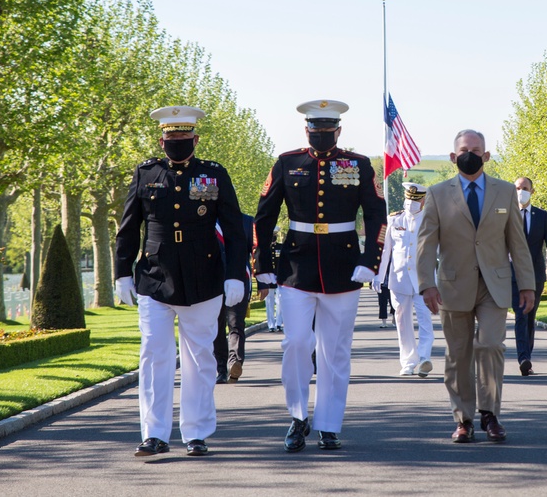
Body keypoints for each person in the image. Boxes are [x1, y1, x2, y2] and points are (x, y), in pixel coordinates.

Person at [253, 99, 387, 453]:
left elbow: (377, 215)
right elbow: (263, 217)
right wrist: (262, 264)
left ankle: (329, 424)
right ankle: (297, 416)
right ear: (307, 130)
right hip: (296, 266)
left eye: (328, 132)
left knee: (336, 352)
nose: (322, 137)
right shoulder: (288, 162)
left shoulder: (357, 165)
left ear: (339, 131)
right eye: (316, 131)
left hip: (344, 267)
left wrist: (370, 261)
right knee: (295, 343)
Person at [115, 105, 249, 458]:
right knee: (155, 357)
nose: (177, 142)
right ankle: (154, 434)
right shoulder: (146, 173)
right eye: (171, 137)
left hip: (204, 278)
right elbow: (129, 229)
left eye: (183, 136)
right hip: (155, 279)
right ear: (162, 140)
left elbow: (236, 232)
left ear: (196, 138)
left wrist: (235, 274)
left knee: (200, 360)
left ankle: (196, 433)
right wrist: (121, 273)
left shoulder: (214, 174)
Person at [416, 129, 535, 444]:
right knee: (458, 354)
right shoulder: (438, 193)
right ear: (454, 157)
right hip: (454, 286)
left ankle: (490, 414)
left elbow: (517, 243)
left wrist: (527, 285)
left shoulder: (505, 191)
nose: (471, 154)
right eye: (464, 150)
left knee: (490, 346)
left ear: (487, 155)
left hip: (494, 285)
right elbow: (426, 244)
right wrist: (426, 283)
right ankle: (463, 419)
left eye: (477, 149)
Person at [375, 182, 434, 378]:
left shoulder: (430, 220)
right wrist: (379, 275)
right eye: (409, 199)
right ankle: (408, 362)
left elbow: (441, 252)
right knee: (402, 322)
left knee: (425, 320)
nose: (411, 204)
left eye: (416, 200)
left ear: (423, 201)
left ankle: (424, 358)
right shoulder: (393, 219)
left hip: (424, 280)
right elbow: (386, 250)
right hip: (399, 279)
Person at [511, 177, 547, 376]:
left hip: (535, 274)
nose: (520, 191)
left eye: (524, 188)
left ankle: (527, 357)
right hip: (512, 273)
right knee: (521, 314)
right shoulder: (505, 215)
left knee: (530, 316)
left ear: (532, 192)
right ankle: (523, 358)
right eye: (517, 188)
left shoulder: (542, 216)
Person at [213, 213, 256, 383]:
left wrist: (263, 281)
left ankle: (234, 363)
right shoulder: (208, 218)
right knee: (217, 326)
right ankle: (221, 368)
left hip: (240, 280)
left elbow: (255, 251)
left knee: (236, 323)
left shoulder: (246, 221)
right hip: (214, 281)